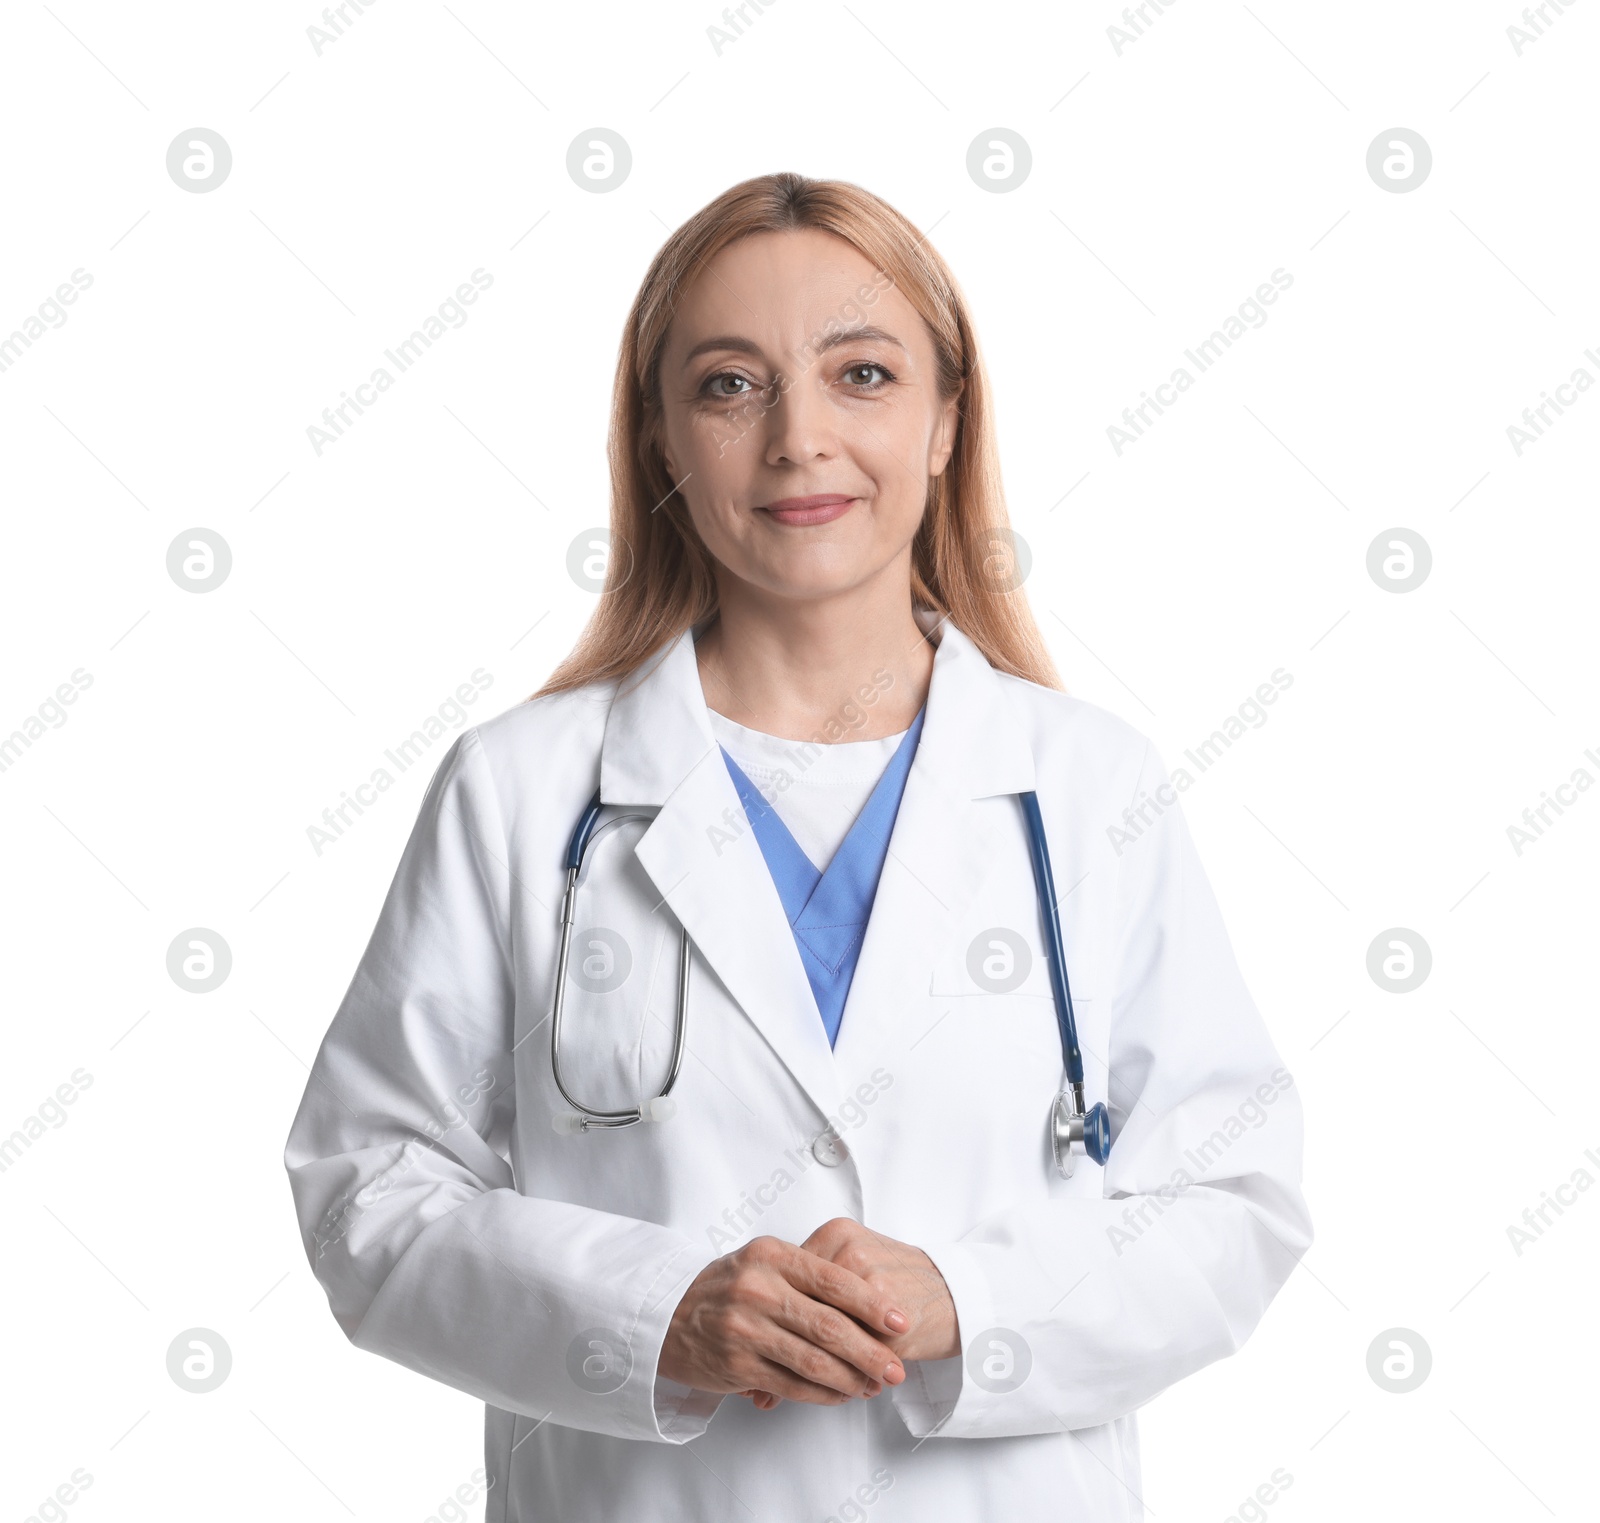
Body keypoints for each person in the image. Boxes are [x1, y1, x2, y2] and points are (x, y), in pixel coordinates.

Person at [284, 170, 1312, 1521]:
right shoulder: (521, 792)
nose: (798, 439)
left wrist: (968, 1300)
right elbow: (369, 1191)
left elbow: (1230, 1195)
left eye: (863, 374)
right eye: (728, 385)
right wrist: (661, 1312)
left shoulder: (1084, 788)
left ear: (949, 420)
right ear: (660, 438)